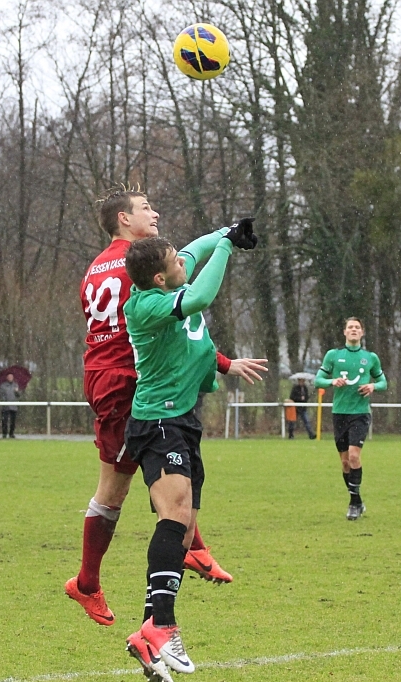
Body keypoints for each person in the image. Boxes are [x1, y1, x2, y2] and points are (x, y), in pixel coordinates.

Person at [66, 188, 267, 638]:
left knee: (165, 470)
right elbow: (181, 312)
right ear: (123, 219)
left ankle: (191, 547)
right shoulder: (135, 268)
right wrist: (225, 244)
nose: (154, 213)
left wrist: (226, 233)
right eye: (145, 208)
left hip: (113, 375)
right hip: (123, 381)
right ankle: (88, 583)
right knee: (115, 489)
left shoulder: (99, 266)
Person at [123, 222, 261, 682]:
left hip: (183, 420)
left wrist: (228, 230)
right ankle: (163, 624)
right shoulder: (147, 304)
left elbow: (195, 251)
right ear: (160, 278)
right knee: (175, 515)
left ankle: (148, 633)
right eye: (176, 262)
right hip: (157, 422)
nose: (184, 262)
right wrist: (227, 247)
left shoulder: (166, 278)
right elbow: (200, 296)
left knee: (183, 532)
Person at [314, 317, 387, 521]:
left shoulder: (370, 357)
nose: (354, 330)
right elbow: (317, 380)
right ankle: (357, 500)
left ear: (362, 332)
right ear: (345, 332)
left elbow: (383, 382)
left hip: (360, 413)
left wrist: (373, 386)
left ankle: (353, 505)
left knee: (354, 456)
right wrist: (332, 381)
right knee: (345, 463)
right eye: (350, 327)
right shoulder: (333, 355)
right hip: (340, 413)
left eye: (357, 327)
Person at [0, 372, 21, 438]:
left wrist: (17, 392)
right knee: (4, 421)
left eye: (11, 377)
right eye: (9, 377)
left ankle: (11, 433)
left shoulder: (15, 385)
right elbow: (1, 395)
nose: (10, 378)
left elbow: (18, 395)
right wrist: (5, 401)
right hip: (5, 406)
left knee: (13, 421)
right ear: (7, 378)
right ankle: (4, 433)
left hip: (13, 406)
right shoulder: (3, 386)